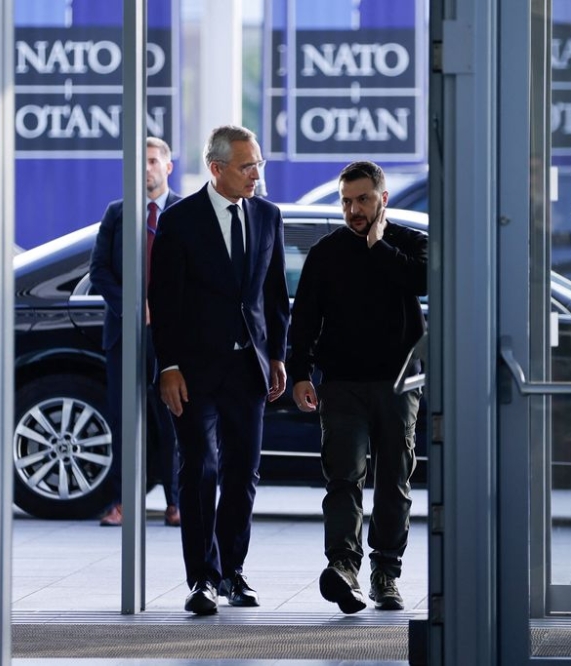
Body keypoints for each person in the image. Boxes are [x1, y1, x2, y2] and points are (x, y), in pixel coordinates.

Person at [148, 125, 289, 615]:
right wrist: (167, 365)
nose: (256, 174)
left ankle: (233, 572)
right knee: (200, 469)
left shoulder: (269, 216)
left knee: (242, 473)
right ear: (216, 168)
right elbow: (163, 302)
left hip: (249, 368)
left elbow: (274, 298)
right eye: (247, 166)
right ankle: (201, 579)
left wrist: (277, 356)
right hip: (192, 370)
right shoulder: (181, 220)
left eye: (259, 164)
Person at [287, 160, 426, 614]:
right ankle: (344, 569)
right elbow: (304, 318)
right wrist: (301, 372)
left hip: (399, 382)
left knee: (394, 482)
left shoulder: (410, 244)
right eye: (346, 202)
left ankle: (386, 572)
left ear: (382, 199)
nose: (353, 210)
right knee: (343, 478)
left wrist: (379, 245)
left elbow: (423, 282)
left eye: (363, 200)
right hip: (341, 385)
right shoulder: (327, 252)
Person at [89, 137, 181, 528]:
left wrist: (162, 308)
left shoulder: (185, 212)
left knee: (172, 420)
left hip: (172, 337)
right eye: (138, 162)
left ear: (167, 167)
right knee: (126, 422)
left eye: (152, 161)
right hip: (124, 335)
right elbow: (99, 271)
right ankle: (124, 503)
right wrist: (131, 305)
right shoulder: (117, 212)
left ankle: (176, 503)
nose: (145, 168)